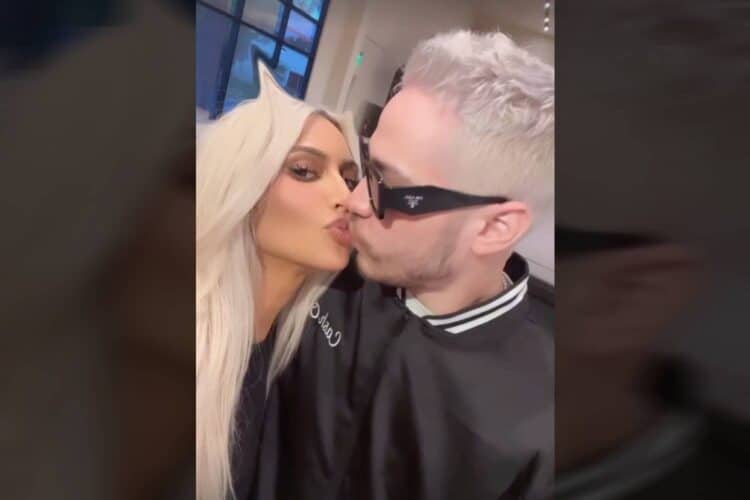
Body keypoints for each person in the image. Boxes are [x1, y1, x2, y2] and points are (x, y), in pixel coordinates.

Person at [265, 30, 554, 500]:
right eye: (366, 168)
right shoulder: (327, 267)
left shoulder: (541, 428)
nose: (355, 201)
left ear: (494, 227)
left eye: (390, 186)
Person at [196, 62, 360, 500]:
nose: (346, 198)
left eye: (350, 178)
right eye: (304, 171)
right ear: (241, 188)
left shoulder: (301, 349)